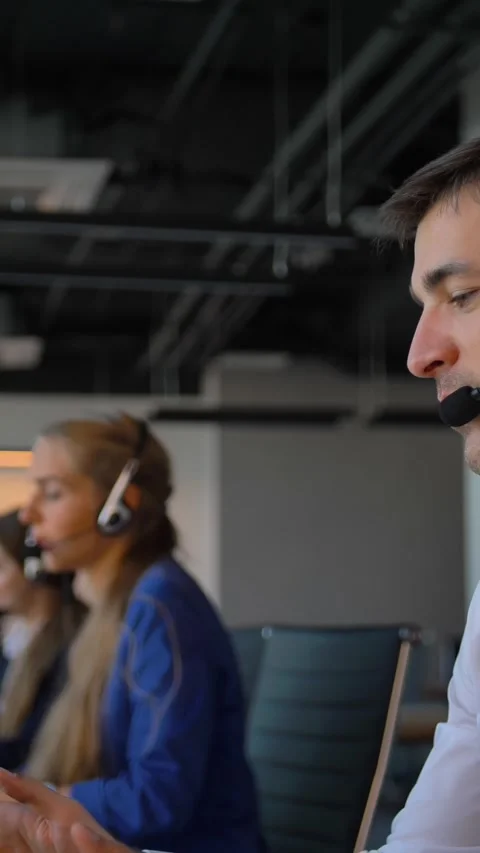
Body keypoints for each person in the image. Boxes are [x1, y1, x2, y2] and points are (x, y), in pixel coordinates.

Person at [9, 412, 263, 853]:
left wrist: (47, 799)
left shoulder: (162, 609)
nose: (28, 514)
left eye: (52, 493)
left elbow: (157, 801)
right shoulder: (114, 610)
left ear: (118, 507)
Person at [0, 509, 83, 771]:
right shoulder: (8, 632)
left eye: (0, 568)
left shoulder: (68, 649)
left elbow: (29, 748)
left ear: (33, 569)